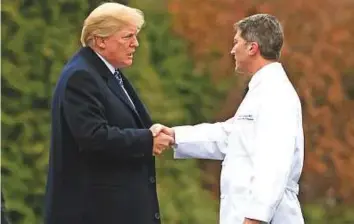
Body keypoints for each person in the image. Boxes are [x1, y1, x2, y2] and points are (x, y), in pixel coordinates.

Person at [151, 14, 305, 224]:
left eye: (236, 43)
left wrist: (255, 217)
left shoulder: (276, 94)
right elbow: (229, 136)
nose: (232, 50)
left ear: (252, 48)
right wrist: (176, 136)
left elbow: (275, 162)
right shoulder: (260, 92)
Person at [44, 3, 173, 224]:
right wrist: (146, 140)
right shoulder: (81, 77)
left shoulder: (106, 73)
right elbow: (93, 137)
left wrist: (148, 132)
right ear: (100, 40)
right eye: (128, 37)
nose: (136, 43)